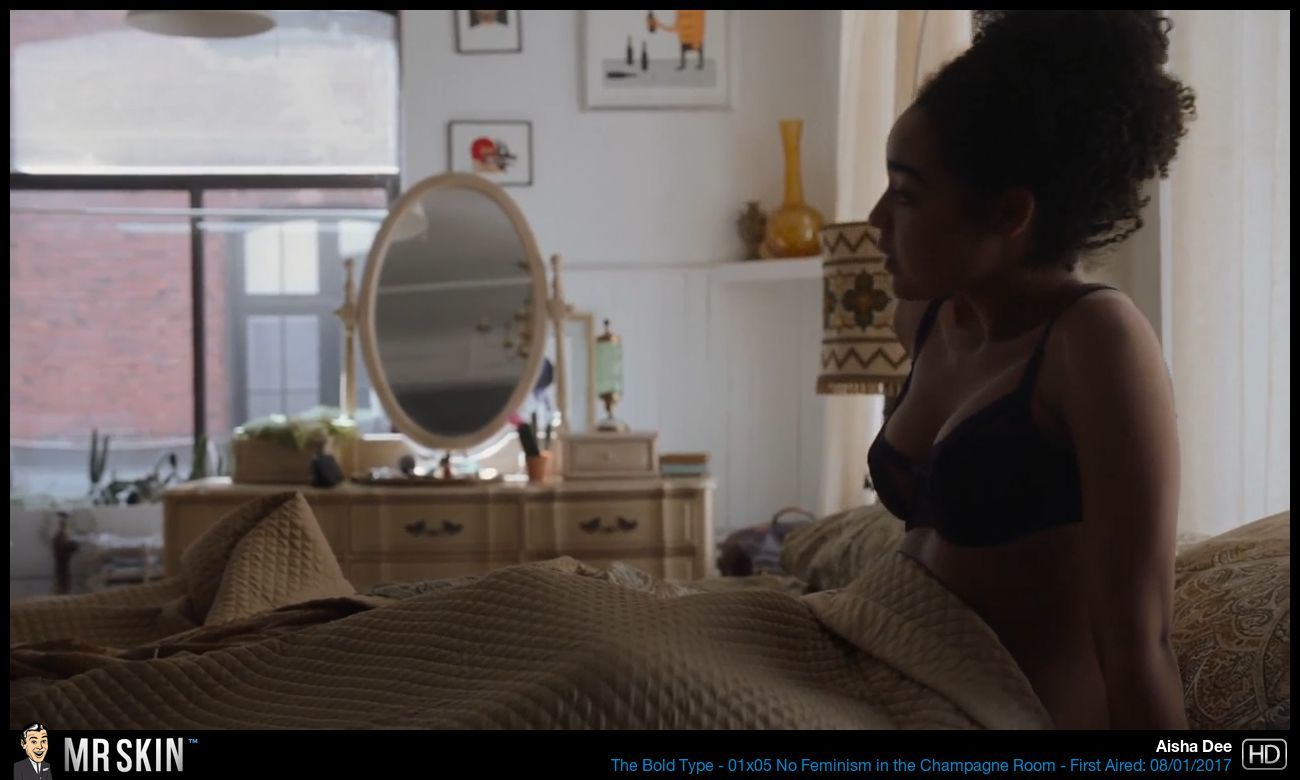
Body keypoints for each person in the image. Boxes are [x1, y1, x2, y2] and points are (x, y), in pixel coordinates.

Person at [865, 10, 1196, 729]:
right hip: (883, 687)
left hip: (1004, 719)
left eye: (907, 194)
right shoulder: (923, 319)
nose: (876, 219)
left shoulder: (1097, 343)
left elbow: (1141, 644)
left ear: (1010, 213)